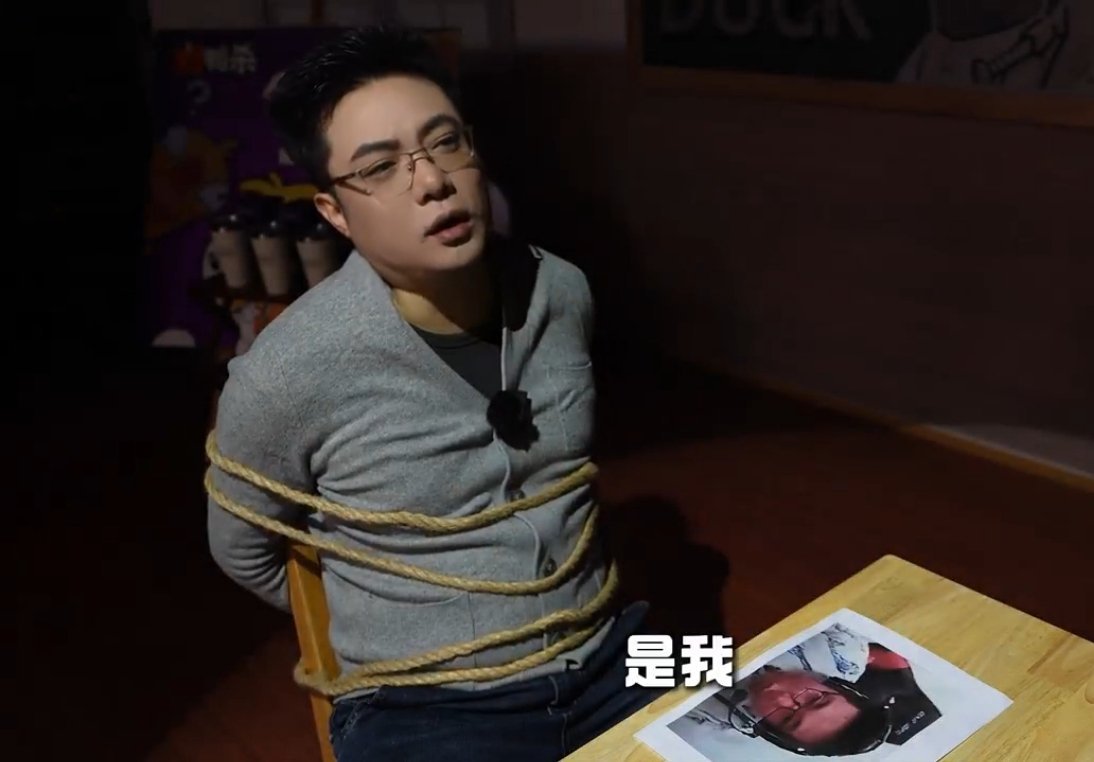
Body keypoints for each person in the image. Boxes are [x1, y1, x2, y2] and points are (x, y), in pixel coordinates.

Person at [204, 25, 663, 761]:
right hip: (426, 704)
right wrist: (397, 617)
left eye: (445, 143)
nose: (431, 182)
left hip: (610, 651)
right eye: (380, 167)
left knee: (771, 712)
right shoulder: (290, 370)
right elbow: (242, 544)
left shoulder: (561, 290)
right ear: (334, 212)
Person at [679, 624, 941, 756]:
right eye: (816, 698)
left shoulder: (708, 717)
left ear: (769, 730)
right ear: (835, 685)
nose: (780, 697)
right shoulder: (843, 652)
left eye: (787, 718)